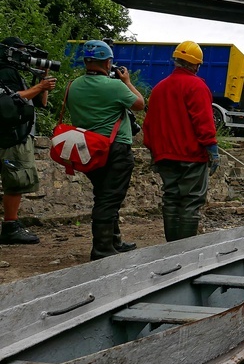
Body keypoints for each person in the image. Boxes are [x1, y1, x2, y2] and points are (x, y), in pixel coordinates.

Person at [67, 40, 144, 260]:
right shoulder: (115, 86)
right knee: (109, 199)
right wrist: (127, 82)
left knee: (104, 194)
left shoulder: (73, 85)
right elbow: (139, 104)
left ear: (85, 61)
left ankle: (114, 240)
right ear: (108, 62)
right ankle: (101, 249)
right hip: (115, 148)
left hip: (86, 148)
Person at [143, 41, 220, 242]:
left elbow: (149, 124)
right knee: (191, 202)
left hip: (165, 156)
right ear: (196, 65)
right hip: (191, 156)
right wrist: (212, 148)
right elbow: (203, 121)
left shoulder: (159, 88)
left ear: (176, 61)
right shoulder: (196, 86)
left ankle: (171, 247)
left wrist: (154, 151)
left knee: (171, 199)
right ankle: (184, 252)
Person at [0, 37, 56, 244]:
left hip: (17, 134)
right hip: (11, 137)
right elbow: (11, 100)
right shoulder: (5, 72)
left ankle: (11, 224)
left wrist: (43, 83)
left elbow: (40, 103)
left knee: (16, 180)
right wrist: (39, 86)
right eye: (22, 52)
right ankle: (10, 226)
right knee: (16, 180)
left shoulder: (14, 73)